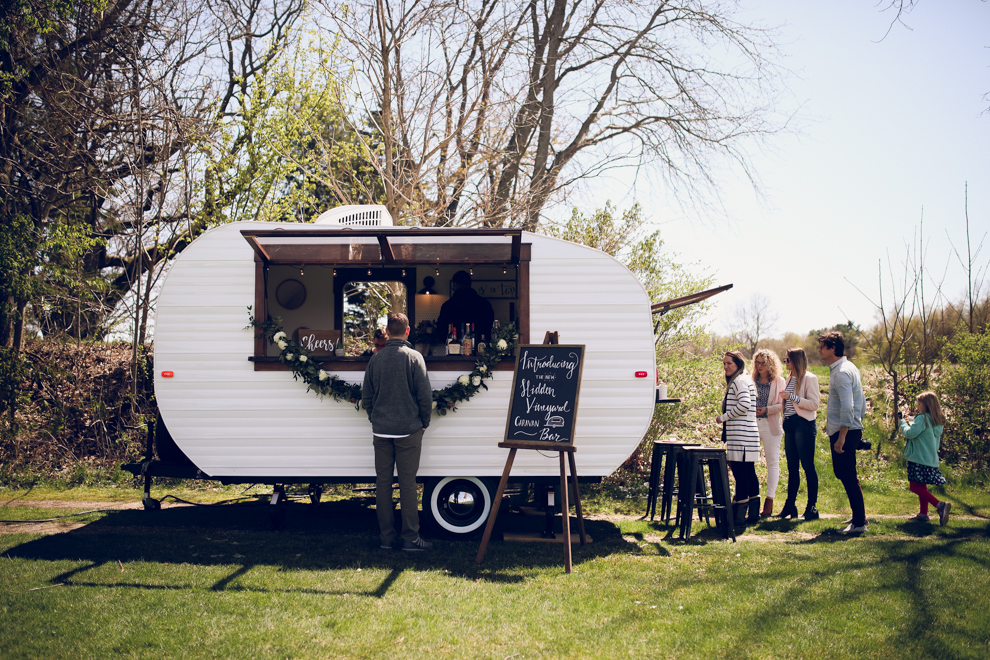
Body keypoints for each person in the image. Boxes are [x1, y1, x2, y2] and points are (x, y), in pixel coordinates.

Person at [361, 313, 434, 551]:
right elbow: (424, 395)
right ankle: (410, 538)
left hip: (382, 431)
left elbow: (367, 396)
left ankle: (386, 539)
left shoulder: (376, 359)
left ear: (388, 332)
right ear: (408, 331)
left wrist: (375, 418)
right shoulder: (415, 358)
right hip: (408, 430)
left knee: (382, 484)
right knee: (407, 485)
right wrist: (424, 422)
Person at [819, 331, 868, 534]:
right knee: (844, 474)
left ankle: (859, 523)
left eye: (822, 346)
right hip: (848, 429)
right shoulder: (845, 368)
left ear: (833, 348)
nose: (819, 350)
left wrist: (842, 437)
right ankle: (858, 517)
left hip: (845, 431)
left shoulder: (841, 372)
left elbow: (848, 407)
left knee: (848, 475)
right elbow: (861, 402)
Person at [715, 350, 762, 526]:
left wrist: (723, 417)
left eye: (730, 364)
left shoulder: (739, 381)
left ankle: (739, 517)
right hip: (746, 435)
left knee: (742, 475)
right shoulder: (744, 380)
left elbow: (744, 404)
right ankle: (753, 515)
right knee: (749, 474)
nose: (726, 367)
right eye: (724, 363)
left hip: (742, 437)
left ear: (739, 365)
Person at [775, 348, 821, 520]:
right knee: (792, 467)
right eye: (785, 359)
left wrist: (791, 397)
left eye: (787, 360)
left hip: (804, 424)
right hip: (790, 424)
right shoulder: (790, 378)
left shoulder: (810, 378)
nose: (785, 362)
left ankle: (811, 507)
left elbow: (814, 404)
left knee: (808, 466)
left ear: (796, 360)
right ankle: (790, 505)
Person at [899, 391, 952, 526]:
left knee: (914, 486)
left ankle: (940, 505)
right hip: (929, 459)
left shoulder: (922, 418)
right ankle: (923, 514)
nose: (918, 406)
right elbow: (922, 427)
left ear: (926, 404)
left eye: (919, 403)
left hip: (918, 457)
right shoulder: (936, 420)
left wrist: (902, 424)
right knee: (922, 485)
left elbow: (910, 434)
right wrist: (911, 419)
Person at [751, 349, 787, 517]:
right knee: (747, 461)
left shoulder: (778, 381)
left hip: (770, 423)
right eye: (757, 362)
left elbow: (783, 405)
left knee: (772, 463)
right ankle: (746, 498)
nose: (759, 366)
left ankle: (769, 501)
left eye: (763, 363)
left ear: (770, 364)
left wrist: (766, 409)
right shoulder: (751, 380)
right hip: (752, 424)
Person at [433, 270, 495, 344]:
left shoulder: (448, 305)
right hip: (480, 348)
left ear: (455, 285)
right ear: (470, 284)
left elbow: (441, 330)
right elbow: (489, 328)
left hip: (454, 349)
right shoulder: (484, 304)